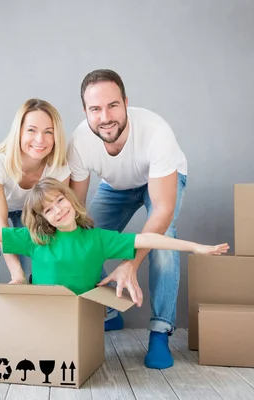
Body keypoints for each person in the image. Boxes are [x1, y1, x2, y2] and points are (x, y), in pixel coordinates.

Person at [0, 177, 228, 304]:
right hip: (45, 307)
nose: (57, 211)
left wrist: (196, 247)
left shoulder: (99, 239)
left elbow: (151, 238)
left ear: (70, 199)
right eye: (48, 210)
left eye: (59, 202)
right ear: (43, 218)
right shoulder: (36, 239)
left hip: (82, 309)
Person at [67, 69, 189, 370]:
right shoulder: (80, 140)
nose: (105, 116)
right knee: (83, 239)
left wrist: (130, 264)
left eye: (112, 105)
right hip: (117, 186)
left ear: (126, 103)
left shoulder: (156, 131)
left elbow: (162, 209)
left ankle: (160, 333)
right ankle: (110, 313)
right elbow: (75, 211)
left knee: (163, 243)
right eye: (95, 109)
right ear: (85, 112)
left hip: (160, 180)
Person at [0, 98, 71, 357]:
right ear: (19, 131)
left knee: (43, 251)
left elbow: (58, 215)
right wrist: (16, 273)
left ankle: (34, 326)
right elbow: (1, 225)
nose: (39, 139)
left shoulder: (59, 166)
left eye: (48, 132)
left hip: (29, 210)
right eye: (31, 130)